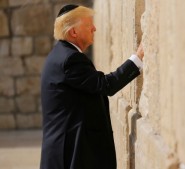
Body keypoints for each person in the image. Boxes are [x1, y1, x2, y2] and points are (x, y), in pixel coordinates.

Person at [40, 4, 144, 169]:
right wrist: (138, 57)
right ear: (73, 32)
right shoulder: (70, 60)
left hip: (68, 150)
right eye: (89, 25)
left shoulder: (62, 55)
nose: (94, 28)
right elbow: (105, 85)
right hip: (72, 154)